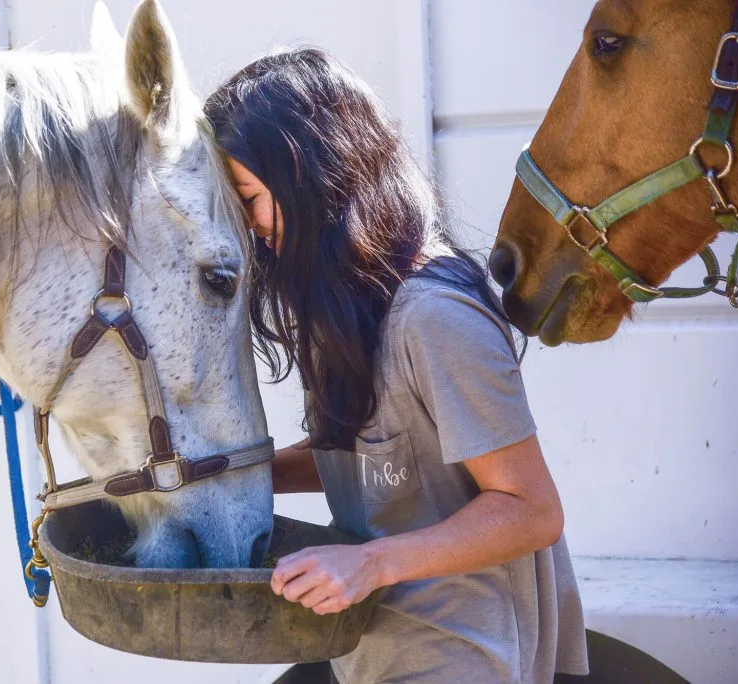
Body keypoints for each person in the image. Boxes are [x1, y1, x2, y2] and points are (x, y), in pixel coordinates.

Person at [204, 49, 589, 683]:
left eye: (249, 199)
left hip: (469, 659)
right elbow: (377, 460)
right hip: (362, 653)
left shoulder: (435, 319)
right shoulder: (347, 309)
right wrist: (237, 477)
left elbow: (530, 508)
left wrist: (373, 563)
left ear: (314, 178)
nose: (245, 229)